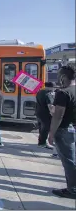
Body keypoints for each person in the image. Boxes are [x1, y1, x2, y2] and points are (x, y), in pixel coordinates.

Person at [48, 64, 76, 199]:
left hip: (65, 130)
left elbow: (58, 115)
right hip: (73, 129)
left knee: (69, 162)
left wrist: (51, 134)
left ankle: (72, 190)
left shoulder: (63, 93)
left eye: (59, 76)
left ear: (64, 77)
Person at [35, 82, 56, 149]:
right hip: (45, 114)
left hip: (38, 112)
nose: (54, 89)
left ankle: (40, 142)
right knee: (45, 129)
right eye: (54, 88)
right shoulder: (48, 94)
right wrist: (53, 113)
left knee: (41, 128)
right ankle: (43, 143)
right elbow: (50, 106)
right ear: (51, 87)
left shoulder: (40, 92)